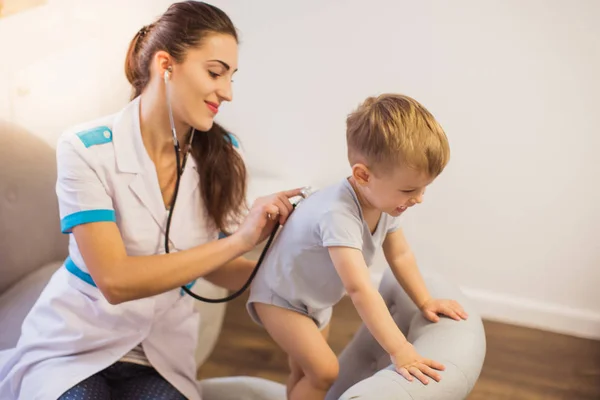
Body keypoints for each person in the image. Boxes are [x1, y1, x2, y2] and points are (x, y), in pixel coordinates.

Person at [0, 2, 303, 399]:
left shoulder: (225, 154)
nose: (227, 93)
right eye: (215, 72)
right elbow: (114, 280)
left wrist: (292, 265)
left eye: (231, 77)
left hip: (160, 353)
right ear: (166, 65)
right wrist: (240, 241)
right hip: (74, 346)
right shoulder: (85, 148)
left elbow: (215, 267)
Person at [246, 93, 469, 400]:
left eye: (423, 188)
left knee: (303, 373)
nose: (418, 198)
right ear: (363, 175)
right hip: (280, 297)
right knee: (325, 372)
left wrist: (425, 301)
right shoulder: (337, 214)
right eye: (409, 190)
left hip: (315, 300)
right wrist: (400, 350)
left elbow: (400, 255)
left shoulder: (386, 204)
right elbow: (360, 290)